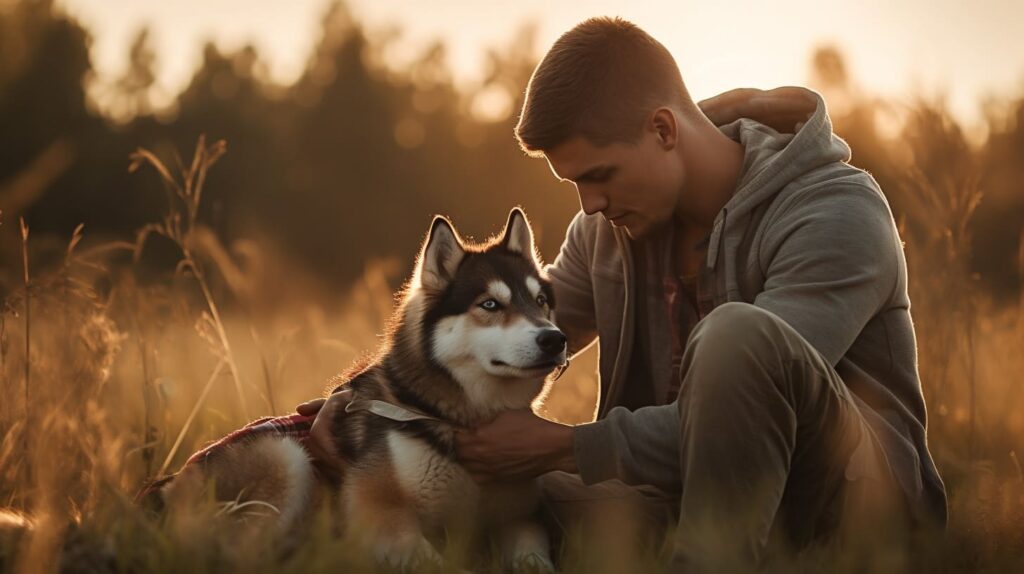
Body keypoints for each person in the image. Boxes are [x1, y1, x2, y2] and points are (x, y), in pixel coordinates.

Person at [299, 16, 947, 571]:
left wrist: (565, 446)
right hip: (670, 492)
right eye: (575, 184)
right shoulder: (607, 230)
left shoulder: (836, 212)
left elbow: (740, 415)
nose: (590, 204)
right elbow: (498, 334)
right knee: (463, 486)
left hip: (850, 506)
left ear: (664, 130)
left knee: (736, 336)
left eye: (599, 176)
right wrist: (362, 404)